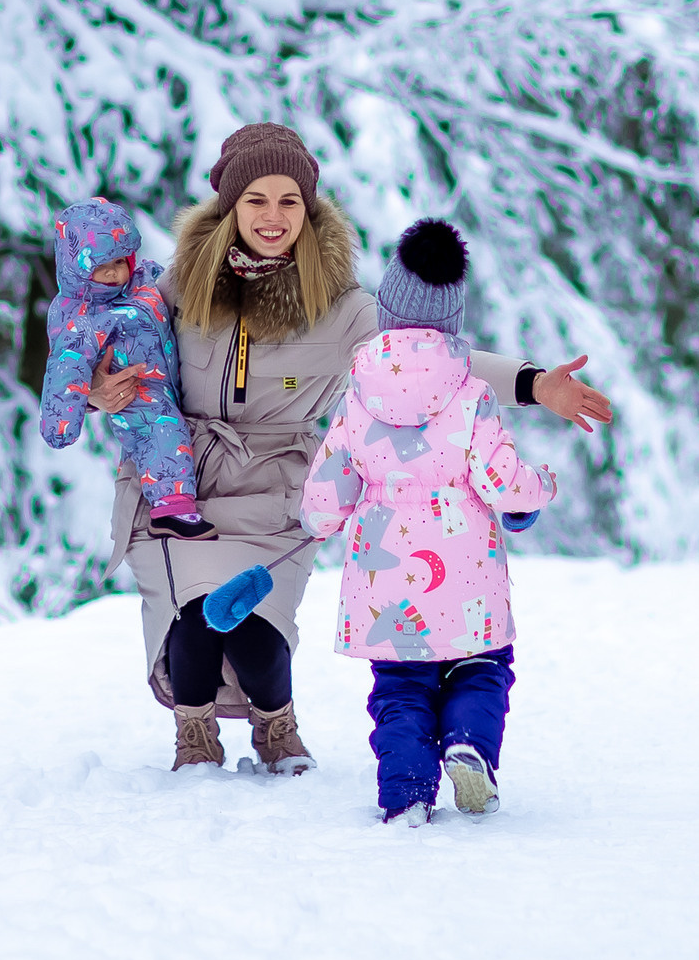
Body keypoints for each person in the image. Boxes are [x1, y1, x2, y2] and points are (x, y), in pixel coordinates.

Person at [84, 122, 614, 777]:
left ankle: (276, 721)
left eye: (288, 200)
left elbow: (436, 357)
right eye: (256, 199)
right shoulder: (177, 285)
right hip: (180, 485)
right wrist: (95, 391)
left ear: (308, 209)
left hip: (275, 487)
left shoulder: (337, 304)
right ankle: (194, 734)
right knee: (194, 616)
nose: (273, 216)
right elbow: (108, 345)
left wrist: (534, 384)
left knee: (255, 628)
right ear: (229, 207)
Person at [302, 218, 553, 824]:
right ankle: (468, 744)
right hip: (466, 580)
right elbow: (501, 482)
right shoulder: (471, 393)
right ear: (452, 318)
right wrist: (540, 486)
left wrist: (318, 521)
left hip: (385, 576)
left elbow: (326, 492)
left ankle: (407, 794)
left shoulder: (358, 393)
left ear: (387, 310)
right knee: (481, 668)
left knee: (400, 687)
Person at [38, 199, 210, 537]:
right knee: (160, 432)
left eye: (120, 261)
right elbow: (65, 367)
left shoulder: (141, 281)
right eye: (102, 266)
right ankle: (171, 506)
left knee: (171, 428)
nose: (115, 273)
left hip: (169, 377)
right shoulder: (82, 318)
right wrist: (61, 423)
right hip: (134, 392)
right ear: (77, 268)